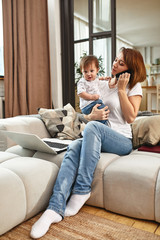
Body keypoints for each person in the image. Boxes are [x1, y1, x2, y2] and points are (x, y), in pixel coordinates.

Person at [30, 47, 146, 239]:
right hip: (99, 137)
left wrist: (121, 91)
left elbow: (131, 117)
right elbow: (85, 113)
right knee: (75, 145)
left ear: (131, 68)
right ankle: (54, 209)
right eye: (116, 60)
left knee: (92, 129)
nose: (115, 64)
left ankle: (82, 190)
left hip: (122, 141)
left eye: (121, 63)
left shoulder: (134, 87)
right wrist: (92, 116)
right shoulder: (101, 84)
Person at [77, 55, 109, 125]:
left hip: (95, 102)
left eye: (91, 71)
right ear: (82, 71)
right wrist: (92, 97)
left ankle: (99, 125)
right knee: (103, 111)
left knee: (105, 111)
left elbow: (98, 79)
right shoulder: (82, 81)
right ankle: (100, 126)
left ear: (97, 70)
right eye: (85, 72)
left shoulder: (95, 79)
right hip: (88, 105)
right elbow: (81, 93)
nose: (89, 74)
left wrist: (104, 78)